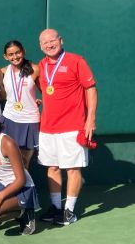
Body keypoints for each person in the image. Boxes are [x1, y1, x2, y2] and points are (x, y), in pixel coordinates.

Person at [37, 28, 97, 226]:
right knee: (52, 167)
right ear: (40, 46)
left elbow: (90, 89)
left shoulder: (76, 60)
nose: (49, 44)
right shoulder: (42, 65)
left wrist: (90, 120)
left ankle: (69, 211)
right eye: (44, 42)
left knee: (72, 168)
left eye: (52, 40)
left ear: (60, 40)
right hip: (47, 128)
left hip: (72, 126)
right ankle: (55, 208)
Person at [0, 40, 39, 168]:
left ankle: (25, 187)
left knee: (24, 162)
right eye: (11, 54)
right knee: (9, 160)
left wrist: (40, 101)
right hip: (9, 119)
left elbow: (48, 92)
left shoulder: (35, 69)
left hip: (29, 120)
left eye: (18, 53)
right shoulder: (3, 72)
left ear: (23, 52)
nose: (15, 57)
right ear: (5, 57)